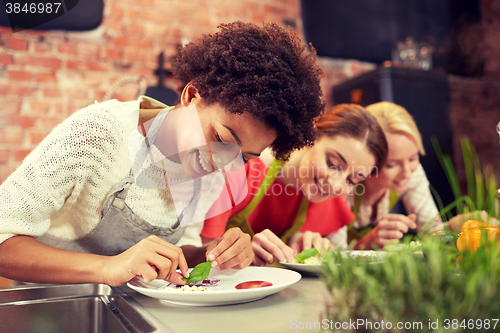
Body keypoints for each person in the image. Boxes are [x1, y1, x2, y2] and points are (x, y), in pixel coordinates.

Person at [0, 21, 325, 286]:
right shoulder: (99, 132)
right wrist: (109, 268)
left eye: (244, 157)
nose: (222, 162)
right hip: (47, 304)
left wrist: (211, 253)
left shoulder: (214, 170)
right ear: (192, 94)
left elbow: (175, 253)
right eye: (221, 137)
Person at [202, 104, 388, 265]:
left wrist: (310, 249)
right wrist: (241, 255)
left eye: (352, 180)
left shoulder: (332, 202)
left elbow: (338, 268)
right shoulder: (241, 168)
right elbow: (198, 253)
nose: (337, 185)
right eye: (333, 164)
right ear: (311, 137)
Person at [345, 101, 442, 250]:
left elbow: (432, 231)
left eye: (413, 158)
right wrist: (368, 242)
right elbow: (327, 255)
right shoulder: (343, 182)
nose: (407, 173)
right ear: (367, 159)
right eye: (392, 165)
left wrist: (458, 228)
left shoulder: (413, 173)